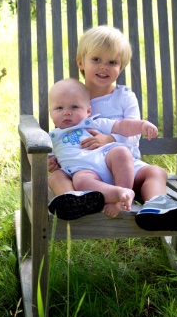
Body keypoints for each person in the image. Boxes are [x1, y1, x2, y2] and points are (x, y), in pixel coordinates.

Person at [48, 26, 177, 231]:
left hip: (127, 168)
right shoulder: (72, 97)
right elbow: (63, 135)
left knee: (156, 172)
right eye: (97, 59)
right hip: (89, 172)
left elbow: (132, 135)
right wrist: (52, 156)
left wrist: (109, 139)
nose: (104, 67)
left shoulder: (125, 97)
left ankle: (157, 205)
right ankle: (77, 200)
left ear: (122, 66)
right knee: (63, 178)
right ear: (81, 62)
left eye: (113, 62)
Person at [48, 78, 159, 218]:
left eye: (74, 107)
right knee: (81, 181)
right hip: (84, 171)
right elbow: (36, 154)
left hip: (107, 163)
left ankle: (124, 193)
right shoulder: (51, 137)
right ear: (51, 113)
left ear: (88, 111)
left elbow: (121, 126)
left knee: (121, 152)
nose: (66, 112)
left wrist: (141, 125)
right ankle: (118, 194)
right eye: (59, 108)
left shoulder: (93, 123)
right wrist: (48, 161)